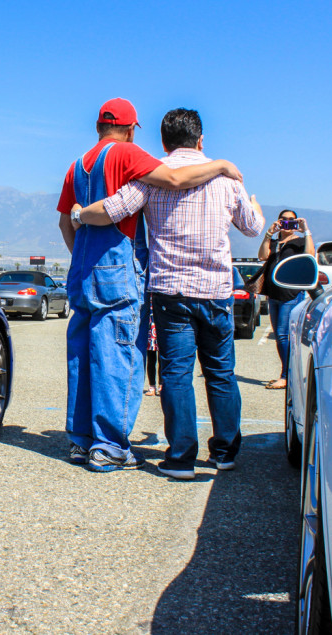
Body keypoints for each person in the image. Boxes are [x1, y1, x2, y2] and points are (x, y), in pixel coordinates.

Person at [74, 108, 263, 479]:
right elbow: (253, 228)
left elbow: (114, 210)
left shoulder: (152, 176)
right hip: (216, 290)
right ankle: (224, 451)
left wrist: (80, 215)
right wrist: (253, 205)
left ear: (163, 141)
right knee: (221, 373)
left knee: (175, 373)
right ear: (201, 139)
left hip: (169, 289)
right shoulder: (227, 178)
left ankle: (181, 458)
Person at [258, 209, 314, 390]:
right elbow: (262, 256)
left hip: (291, 294)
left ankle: (286, 376)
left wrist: (306, 230)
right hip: (273, 294)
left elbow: (310, 254)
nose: (287, 223)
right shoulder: (274, 243)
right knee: (280, 336)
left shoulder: (299, 242)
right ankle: (288, 374)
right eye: (284, 219)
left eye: (292, 220)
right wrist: (268, 234)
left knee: (283, 335)